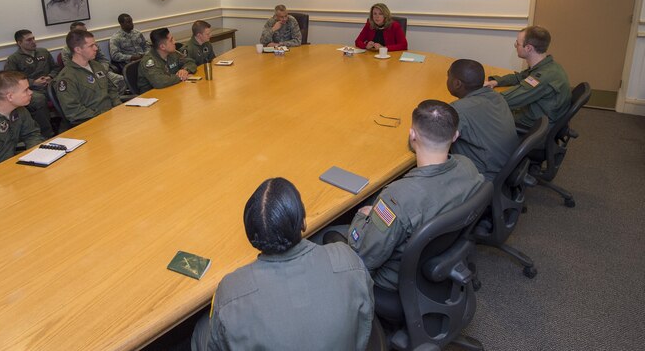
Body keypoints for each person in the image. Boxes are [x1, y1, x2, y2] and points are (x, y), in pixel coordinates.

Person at [191, 177, 374, 351]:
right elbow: (365, 319)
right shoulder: (348, 260)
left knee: (201, 329)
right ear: (303, 221)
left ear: (251, 235)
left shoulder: (231, 293)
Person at [321, 100, 484, 292]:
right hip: (436, 260)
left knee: (324, 235)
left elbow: (364, 256)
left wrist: (364, 216)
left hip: (393, 279)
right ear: (455, 136)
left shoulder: (396, 199)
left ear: (412, 134)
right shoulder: (468, 166)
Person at [485, 26, 571, 128]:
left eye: (517, 43)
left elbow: (504, 100)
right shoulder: (547, 65)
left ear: (528, 48)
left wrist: (477, 95)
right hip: (540, 113)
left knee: (486, 114)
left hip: (536, 124)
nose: (515, 46)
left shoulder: (542, 77)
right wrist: (495, 82)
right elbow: (520, 77)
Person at [448, 59, 518, 182]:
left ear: (457, 83)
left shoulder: (459, 110)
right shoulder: (496, 96)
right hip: (506, 166)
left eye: (448, 76)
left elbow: (432, 142)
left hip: (483, 175)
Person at [53, 29, 121, 125]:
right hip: (93, 122)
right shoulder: (67, 78)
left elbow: (111, 89)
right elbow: (73, 111)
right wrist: (103, 115)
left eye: (95, 44)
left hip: (112, 116)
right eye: (91, 46)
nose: (96, 48)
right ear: (78, 50)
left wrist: (118, 107)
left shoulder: (96, 66)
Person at [3, 29, 57, 138]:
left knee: (66, 89)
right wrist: (33, 82)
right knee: (39, 100)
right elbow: (11, 80)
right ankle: (47, 134)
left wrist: (50, 77)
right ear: (19, 43)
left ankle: (71, 122)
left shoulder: (43, 52)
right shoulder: (14, 59)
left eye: (33, 38)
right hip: (30, 90)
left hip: (50, 85)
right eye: (28, 40)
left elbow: (56, 68)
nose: (33, 41)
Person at [61, 21, 127, 93]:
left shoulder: (93, 45)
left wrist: (101, 70)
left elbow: (103, 60)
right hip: (82, 76)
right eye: (81, 32)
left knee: (120, 80)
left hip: (100, 71)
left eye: (85, 31)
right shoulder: (67, 51)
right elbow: (69, 67)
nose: (85, 33)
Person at [137, 27, 197, 93]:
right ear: (162, 47)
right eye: (171, 40)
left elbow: (190, 62)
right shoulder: (149, 61)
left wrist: (185, 70)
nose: (174, 41)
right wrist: (180, 77)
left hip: (171, 90)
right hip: (152, 96)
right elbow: (159, 82)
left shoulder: (172, 53)